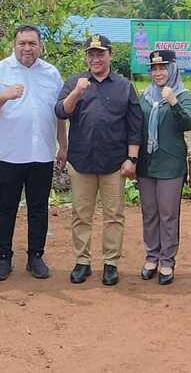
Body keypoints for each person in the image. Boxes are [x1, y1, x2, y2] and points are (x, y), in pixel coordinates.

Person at [55, 34, 143, 286]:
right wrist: (76, 92)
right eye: (91, 54)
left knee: (114, 215)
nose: (95, 58)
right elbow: (60, 111)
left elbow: (135, 124)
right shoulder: (76, 82)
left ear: (110, 55)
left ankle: (110, 263)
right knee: (81, 214)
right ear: (86, 57)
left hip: (114, 163)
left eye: (100, 53)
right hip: (81, 160)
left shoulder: (124, 85)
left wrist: (132, 159)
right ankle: (82, 261)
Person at [0, 25, 66, 281]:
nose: (27, 48)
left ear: (40, 45)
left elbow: (59, 112)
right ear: (14, 44)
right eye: (22, 43)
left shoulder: (51, 73)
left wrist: (63, 145)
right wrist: (6, 94)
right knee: (5, 207)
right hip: (9, 153)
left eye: (32, 43)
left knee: (38, 207)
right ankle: (3, 258)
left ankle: (35, 256)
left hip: (42, 152)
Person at [136, 50, 191, 285]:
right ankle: (152, 257)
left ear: (172, 69)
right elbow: (136, 126)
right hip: (146, 164)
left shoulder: (182, 94)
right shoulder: (145, 96)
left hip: (171, 165)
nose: (158, 73)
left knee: (168, 214)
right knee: (149, 213)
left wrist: (173, 102)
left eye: (163, 68)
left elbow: (188, 122)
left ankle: (167, 261)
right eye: (154, 68)